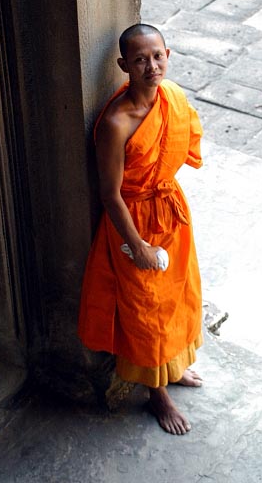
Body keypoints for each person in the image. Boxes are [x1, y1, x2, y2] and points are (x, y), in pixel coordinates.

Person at [78, 23, 203, 435]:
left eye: (157, 56)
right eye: (139, 60)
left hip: (169, 212)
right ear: (123, 65)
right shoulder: (116, 122)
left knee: (177, 298)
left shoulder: (173, 98)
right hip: (134, 225)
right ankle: (156, 395)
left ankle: (173, 368)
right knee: (145, 312)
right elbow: (110, 195)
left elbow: (182, 145)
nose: (151, 66)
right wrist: (138, 246)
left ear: (169, 55)